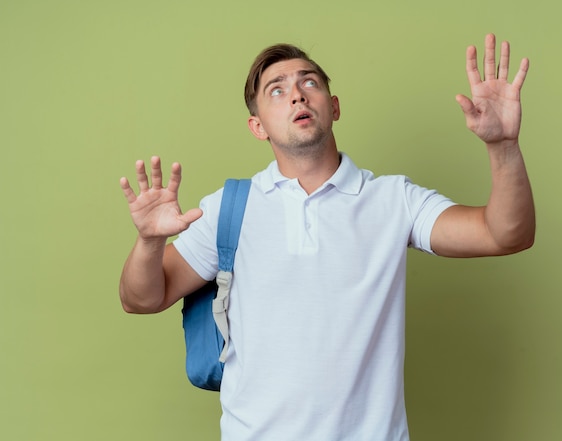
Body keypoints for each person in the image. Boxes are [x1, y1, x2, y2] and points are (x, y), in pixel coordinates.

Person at [119, 34, 535, 441]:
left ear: (333, 107)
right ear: (257, 126)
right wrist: (150, 243)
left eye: (309, 82)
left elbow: (504, 235)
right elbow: (141, 299)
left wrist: (503, 147)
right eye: (277, 91)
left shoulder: (394, 199)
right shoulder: (229, 208)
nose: (298, 95)